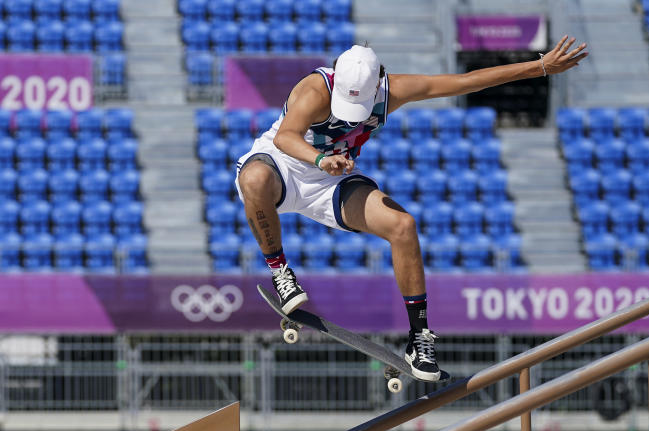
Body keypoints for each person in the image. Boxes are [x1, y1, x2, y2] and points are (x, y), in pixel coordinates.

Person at [235, 37, 588, 380]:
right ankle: (281, 272)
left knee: (402, 225)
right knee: (253, 181)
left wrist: (540, 66)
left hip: (330, 181)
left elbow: (467, 82)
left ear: (378, 84)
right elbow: (285, 137)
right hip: (283, 166)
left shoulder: (394, 90)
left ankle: (419, 338)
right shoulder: (314, 89)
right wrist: (320, 158)